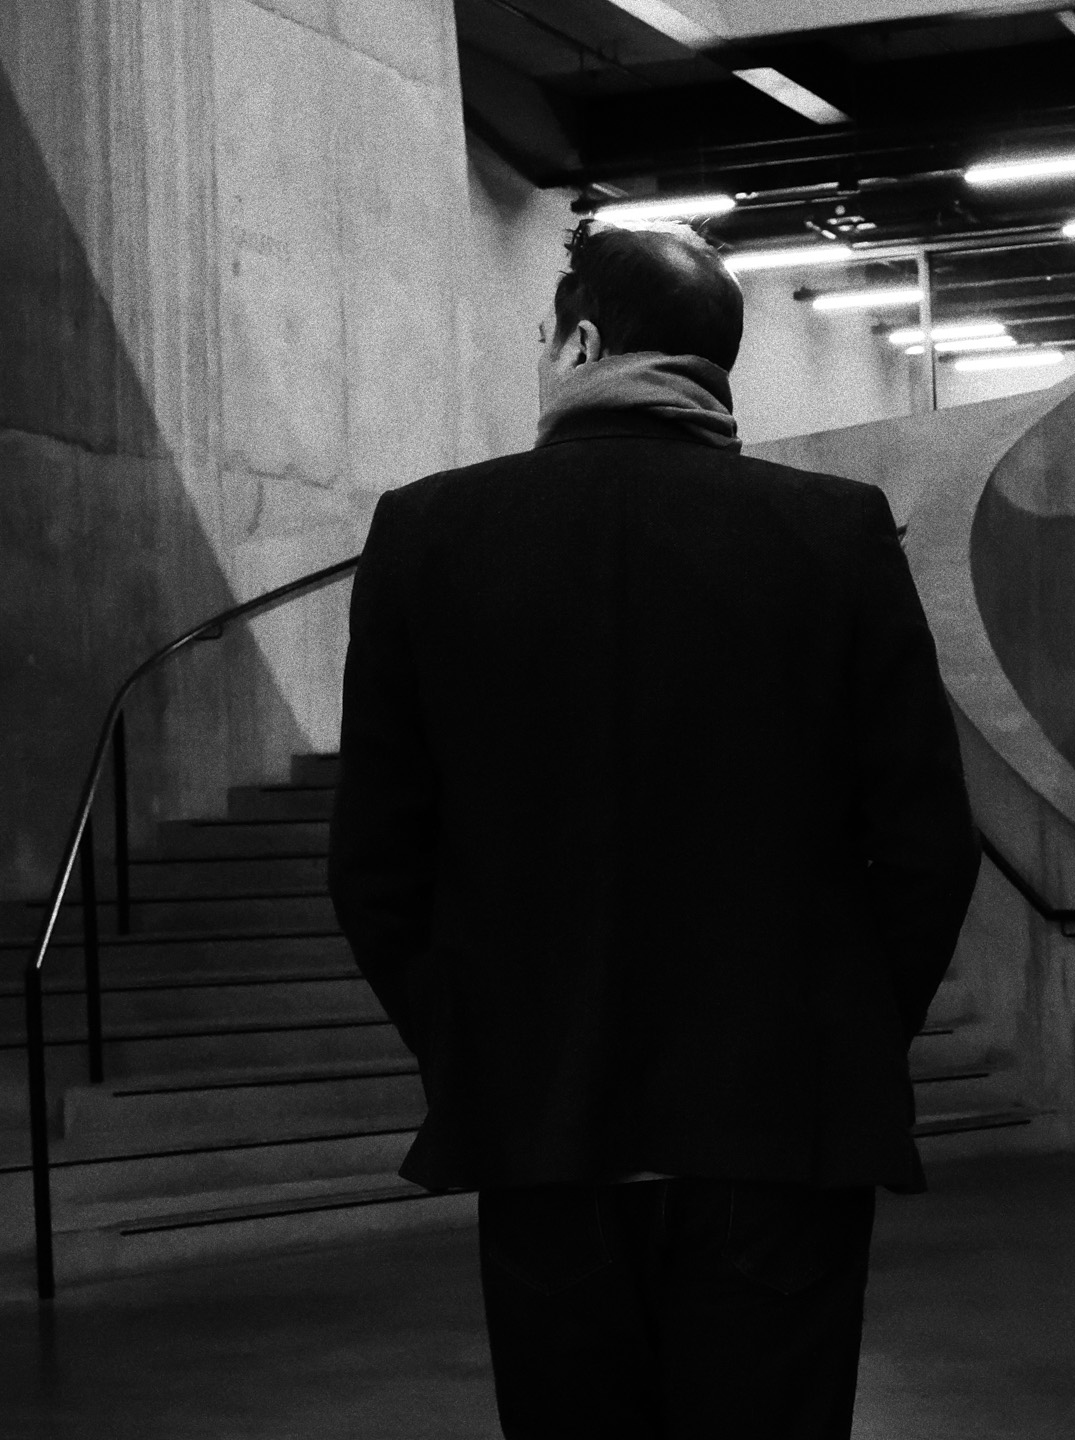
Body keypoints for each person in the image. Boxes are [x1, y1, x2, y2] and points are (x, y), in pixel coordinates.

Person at [326, 220, 982, 1439]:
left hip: (543, 1135)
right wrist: (830, 1036)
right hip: (782, 1136)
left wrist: (485, 1046)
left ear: (580, 343)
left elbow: (375, 869)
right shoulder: (833, 532)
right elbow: (929, 847)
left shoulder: (430, 535)